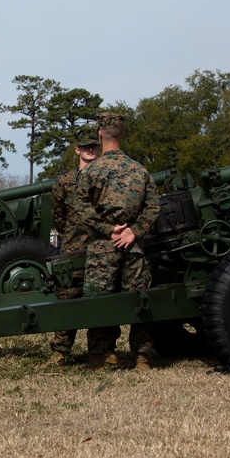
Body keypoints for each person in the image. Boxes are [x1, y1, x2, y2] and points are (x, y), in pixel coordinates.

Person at [76, 112, 161, 370]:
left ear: (100, 135)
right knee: (139, 301)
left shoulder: (92, 171)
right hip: (133, 248)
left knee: (99, 301)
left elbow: (80, 206)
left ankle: (100, 357)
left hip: (102, 248)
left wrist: (108, 229)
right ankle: (142, 358)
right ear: (122, 135)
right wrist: (133, 231)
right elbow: (154, 205)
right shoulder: (140, 170)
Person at [44, 128, 100, 366]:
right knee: (67, 295)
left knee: (101, 298)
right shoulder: (65, 181)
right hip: (73, 246)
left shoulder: (105, 177)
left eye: (94, 146)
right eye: (85, 146)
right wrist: (71, 235)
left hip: (102, 246)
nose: (90, 150)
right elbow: (58, 214)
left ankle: (100, 352)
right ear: (77, 150)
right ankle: (60, 351)